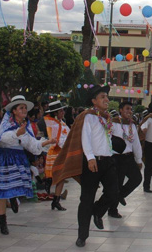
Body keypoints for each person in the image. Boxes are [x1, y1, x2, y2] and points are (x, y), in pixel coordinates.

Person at [51, 85, 125, 248]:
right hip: (92, 162)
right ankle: (82, 236)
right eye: (102, 97)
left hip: (108, 160)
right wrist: (90, 158)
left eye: (107, 96)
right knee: (86, 199)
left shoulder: (107, 117)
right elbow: (84, 138)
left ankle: (97, 211)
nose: (106, 100)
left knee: (114, 193)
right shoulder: (87, 117)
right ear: (94, 101)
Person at [0, 95, 56, 235]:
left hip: (17, 159)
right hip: (3, 158)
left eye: (25, 108)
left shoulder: (25, 125)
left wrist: (46, 142)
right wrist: (17, 133)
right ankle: (2, 221)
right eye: (21, 108)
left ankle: (14, 199)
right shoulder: (6, 124)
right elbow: (2, 139)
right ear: (14, 111)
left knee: (17, 184)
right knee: (1, 192)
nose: (24, 110)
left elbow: (31, 144)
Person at [108, 101, 143, 218]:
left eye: (131, 109)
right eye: (127, 109)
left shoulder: (132, 125)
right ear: (121, 110)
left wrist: (139, 159)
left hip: (129, 157)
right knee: (118, 183)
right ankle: (112, 209)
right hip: (116, 158)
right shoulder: (113, 123)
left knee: (137, 178)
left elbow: (136, 143)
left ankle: (120, 195)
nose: (129, 112)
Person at [44, 101, 70, 211]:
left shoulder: (61, 123)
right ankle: (48, 184)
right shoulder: (52, 124)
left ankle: (56, 201)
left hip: (62, 153)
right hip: (55, 153)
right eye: (60, 111)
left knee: (61, 178)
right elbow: (57, 141)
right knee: (57, 176)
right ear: (55, 113)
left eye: (63, 110)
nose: (63, 112)